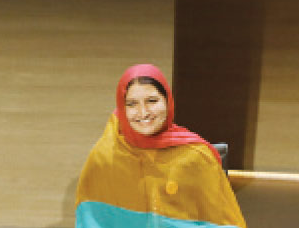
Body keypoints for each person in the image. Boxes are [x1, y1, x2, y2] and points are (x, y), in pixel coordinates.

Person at [75, 64, 246, 227]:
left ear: (168, 101)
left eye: (152, 101)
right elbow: (91, 221)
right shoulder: (105, 157)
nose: (143, 112)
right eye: (132, 104)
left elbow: (224, 222)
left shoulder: (196, 156)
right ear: (121, 107)